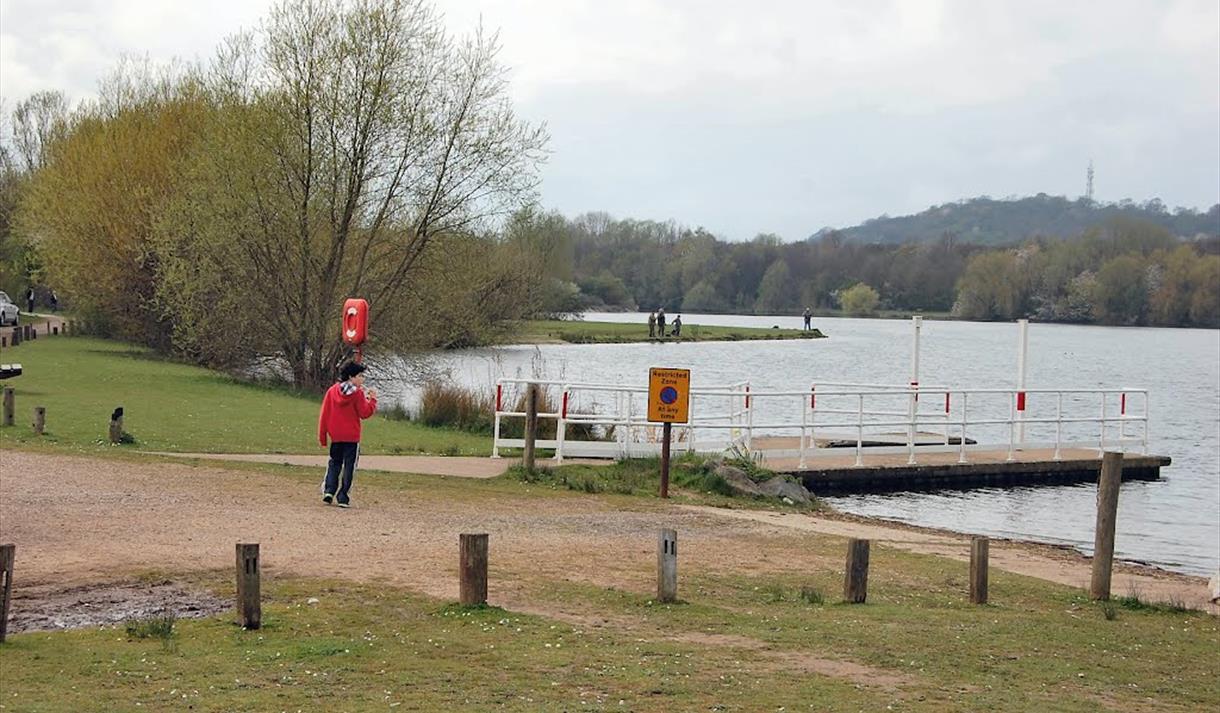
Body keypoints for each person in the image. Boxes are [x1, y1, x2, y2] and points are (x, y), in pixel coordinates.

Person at [317, 361, 378, 508]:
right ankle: (343, 495)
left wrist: (322, 435)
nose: (362, 379)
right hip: (351, 436)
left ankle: (329, 490)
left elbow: (324, 413)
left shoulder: (332, 391)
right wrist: (372, 400)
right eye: (360, 376)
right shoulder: (357, 394)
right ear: (351, 377)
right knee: (349, 466)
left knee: (334, 463)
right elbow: (364, 413)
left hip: (336, 435)